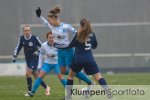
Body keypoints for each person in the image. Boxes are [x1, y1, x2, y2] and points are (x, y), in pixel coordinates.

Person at [35, 6, 94, 85]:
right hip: (59, 52)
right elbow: (44, 22)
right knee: (62, 71)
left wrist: (80, 44)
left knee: (72, 71)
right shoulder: (51, 26)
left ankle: (90, 82)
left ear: (55, 19)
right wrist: (39, 16)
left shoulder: (66, 27)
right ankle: (79, 73)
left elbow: (77, 34)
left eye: (50, 20)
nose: (49, 22)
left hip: (68, 51)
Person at [57, 18, 112, 99]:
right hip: (90, 59)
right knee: (98, 76)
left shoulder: (78, 34)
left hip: (78, 60)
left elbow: (70, 45)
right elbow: (95, 46)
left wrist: (59, 43)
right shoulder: (92, 34)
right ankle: (108, 92)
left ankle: (68, 97)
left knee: (70, 76)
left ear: (81, 25)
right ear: (89, 25)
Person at [12, 25, 50, 96]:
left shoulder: (34, 38)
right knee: (36, 77)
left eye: (28, 30)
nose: (27, 32)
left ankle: (30, 91)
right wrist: (15, 56)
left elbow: (42, 46)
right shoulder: (22, 38)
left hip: (35, 59)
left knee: (27, 73)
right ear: (23, 31)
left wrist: (38, 51)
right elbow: (18, 47)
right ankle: (46, 87)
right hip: (28, 59)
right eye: (25, 30)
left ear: (30, 31)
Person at [28, 32, 67, 97]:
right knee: (40, 76)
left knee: (61, 77)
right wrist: (39, 65)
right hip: (47, 63)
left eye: (52, 38)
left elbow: (63, 54)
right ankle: (32, 92)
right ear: (47, 39)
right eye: (50, 38)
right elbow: (40, 54)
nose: (51, 39)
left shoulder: (58, 45)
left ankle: (70, 91)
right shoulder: (44, 45)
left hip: (56, 63)